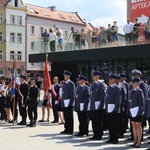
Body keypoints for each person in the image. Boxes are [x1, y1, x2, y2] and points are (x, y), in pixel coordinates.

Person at [90, 70, 106, 140]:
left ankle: (99, 134)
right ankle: (95, 133)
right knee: (94, 121)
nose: (93, 77)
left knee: (98, 121)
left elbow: (102, 96)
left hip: (98, 106)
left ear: (98, 76)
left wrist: (101, 106)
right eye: (93, 75)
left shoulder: (101, 84)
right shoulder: (93, 84)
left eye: (94, 75)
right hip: (93, 105)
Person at [128, 77, 144, 148]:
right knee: (133, 126)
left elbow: (142, 103)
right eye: (132, 83)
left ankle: (138, 141)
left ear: (137, 83)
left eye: (134, 83)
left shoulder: (139, 91)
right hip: (132, 111)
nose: (133, 84)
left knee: (138, 126)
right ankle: (135, 140)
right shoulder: (131, 91)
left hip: (137, 111)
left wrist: (140, 111)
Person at [105, 73, 121, 144]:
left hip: (114, 110)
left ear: (114, 80)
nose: (110, 80)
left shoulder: (117, 88)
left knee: (115, 125)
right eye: (109, 79)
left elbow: (118, 100)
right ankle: (111, 138)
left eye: (111, 79)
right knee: (110, 125)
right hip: (109, 108)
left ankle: (115, 139)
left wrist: (116, 109)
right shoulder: (109, 87)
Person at [60, 70, 75, 135]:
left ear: (68, 76)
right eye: (64, 75)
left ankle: (70, 129)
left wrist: (71, 102)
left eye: (65, 75)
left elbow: (72, 94)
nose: (64, 76)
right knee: (65, 116)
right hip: (64, 102)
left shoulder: (71, 84)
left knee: (69, 116)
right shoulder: (64, 84)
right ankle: (66, 128)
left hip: (68, 102)